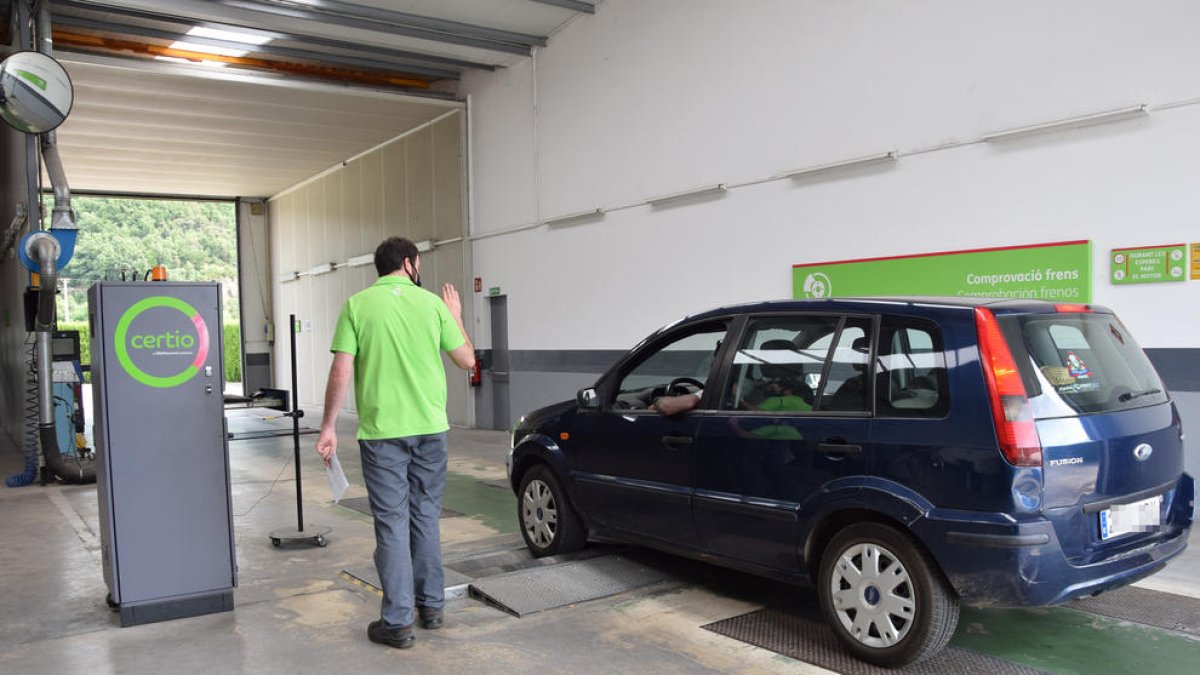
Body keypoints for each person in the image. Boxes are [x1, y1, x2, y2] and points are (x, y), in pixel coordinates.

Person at [315, 236, 475, 650]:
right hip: (431, 431)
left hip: (384, 434)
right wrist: (455, 316)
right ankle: (432, 607)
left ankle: (398, 623)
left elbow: (341, 371)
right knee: (425, 517)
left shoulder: (358, 305)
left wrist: (328, 425)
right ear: (408, 263)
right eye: (418, 262)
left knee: (391, 523)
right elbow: (467, 361)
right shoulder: (432, 304)